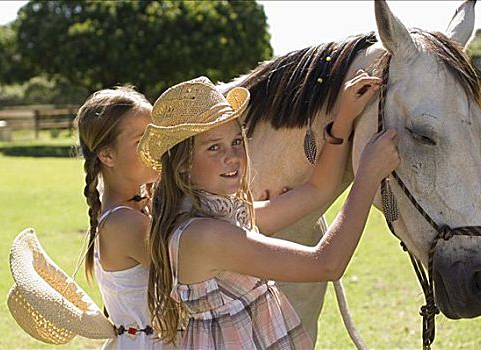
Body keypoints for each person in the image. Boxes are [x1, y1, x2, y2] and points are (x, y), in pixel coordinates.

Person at [139, 75, 399, 349]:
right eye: (214, 147)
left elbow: (316, 190)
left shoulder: (225, 218)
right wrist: (368, 176)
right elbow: (327, 264)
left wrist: (343, 120)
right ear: (183, 165)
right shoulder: (205, 235)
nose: (232, 156)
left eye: (237, 141)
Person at [75, 86, 179, 349]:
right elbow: (195, 267)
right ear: (107, 155)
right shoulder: (124, 223)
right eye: (141, 140)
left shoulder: (133, 210)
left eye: (156, 136)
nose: (155, 147)